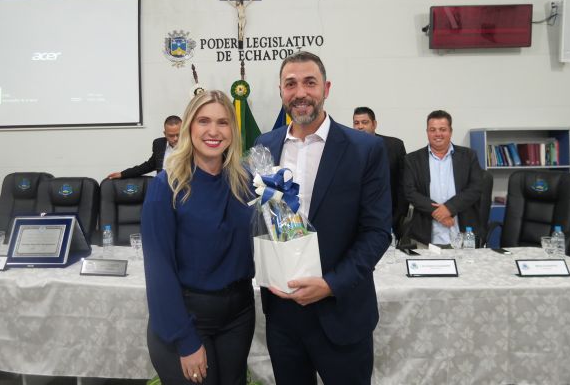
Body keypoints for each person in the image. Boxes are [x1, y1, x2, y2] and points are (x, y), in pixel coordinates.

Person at [255, 51, 391, 385]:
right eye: (291, 84)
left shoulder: (364, 149)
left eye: (310, 82)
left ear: (326, 88)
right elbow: (260, 219)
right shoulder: (264, 146)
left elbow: (376, 232)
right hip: (283, 316)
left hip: (341, 311)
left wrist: (331, 285)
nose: (300, 92)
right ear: (281, 91)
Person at [141, 91, 254, 385]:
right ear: (189, 126)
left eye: (223, 122)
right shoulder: (167, 186)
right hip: (187, 317)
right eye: (204, 121)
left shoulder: (246, 182)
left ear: (233, 130)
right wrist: (185, 340)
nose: (213, 131)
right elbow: (159, 271)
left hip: (239, 315)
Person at [403, 110, 484, 246]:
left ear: (450, 131)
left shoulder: (469, 156)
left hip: (463, 234)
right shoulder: (412, 159)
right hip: (425, 236)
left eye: (442, 129)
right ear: (427, 132)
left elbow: (476, 187)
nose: (438, 134)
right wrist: (438, 213)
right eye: (432, 130)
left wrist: (449, 208)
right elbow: (410, 192)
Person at [352, 106, 408, 240]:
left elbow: (403, 186)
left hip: (390, 219)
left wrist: (396, 218)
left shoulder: (395, 146)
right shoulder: (347, 148)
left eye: (365, 122)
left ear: (374, 124)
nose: (360, 127)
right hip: (356, 222)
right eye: (356, 123)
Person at [107, 115, 182, 179]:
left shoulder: (188, 146)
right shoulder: (159, 144)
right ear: (165, 134)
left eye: (178, 134)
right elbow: (149, 166)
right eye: (171, 136)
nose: (175, 138)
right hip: (163, 185)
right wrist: (123, 174)